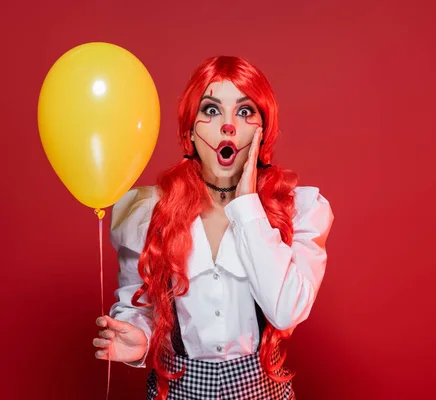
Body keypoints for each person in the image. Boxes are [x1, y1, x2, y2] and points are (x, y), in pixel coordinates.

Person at [92, 55, 334, 400]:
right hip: (178, 389)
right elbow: (139, 305)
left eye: (245, 111)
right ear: (190, 131)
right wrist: (139, 338)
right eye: (211, 110)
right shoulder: (147, 211)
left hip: (260, 390)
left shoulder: (300, 209)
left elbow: (286, 312)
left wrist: (247, 203)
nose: (228, 126)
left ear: (263, 131)